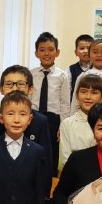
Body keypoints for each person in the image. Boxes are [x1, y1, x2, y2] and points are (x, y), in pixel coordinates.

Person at [0, 65, 53, 197]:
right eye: (9, 84)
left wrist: (44, 197)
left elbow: (46, 163)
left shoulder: (40, 121)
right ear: (1, 89)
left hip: (28, 192)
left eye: (20, 84)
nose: (15, 88)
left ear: (30, 89)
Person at [31, 31, 71, 174]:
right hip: (34, 116)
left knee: (51, 152)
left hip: (53, 120)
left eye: (50, 49)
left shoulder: (62, 75)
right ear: (36, 53)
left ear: (57, 52)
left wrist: (62, 125)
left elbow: (65, 103)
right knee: (33, 149)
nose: (46, 53)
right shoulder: (31, 73)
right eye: (42, 50)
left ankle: (50, 181)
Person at [58, 70, 102, 170]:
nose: (88, 97)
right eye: (83, 92)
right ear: (77, 95)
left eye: (94, 93)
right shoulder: (67, 124)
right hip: (75, 174)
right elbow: (65, 159)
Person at [66, 33, 94, 102]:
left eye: (88, 48)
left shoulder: (97, 68)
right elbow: (67, 91)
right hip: (76, 104)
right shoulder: (71, 69)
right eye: (82, 48)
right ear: (76, 52)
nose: (85, 51)